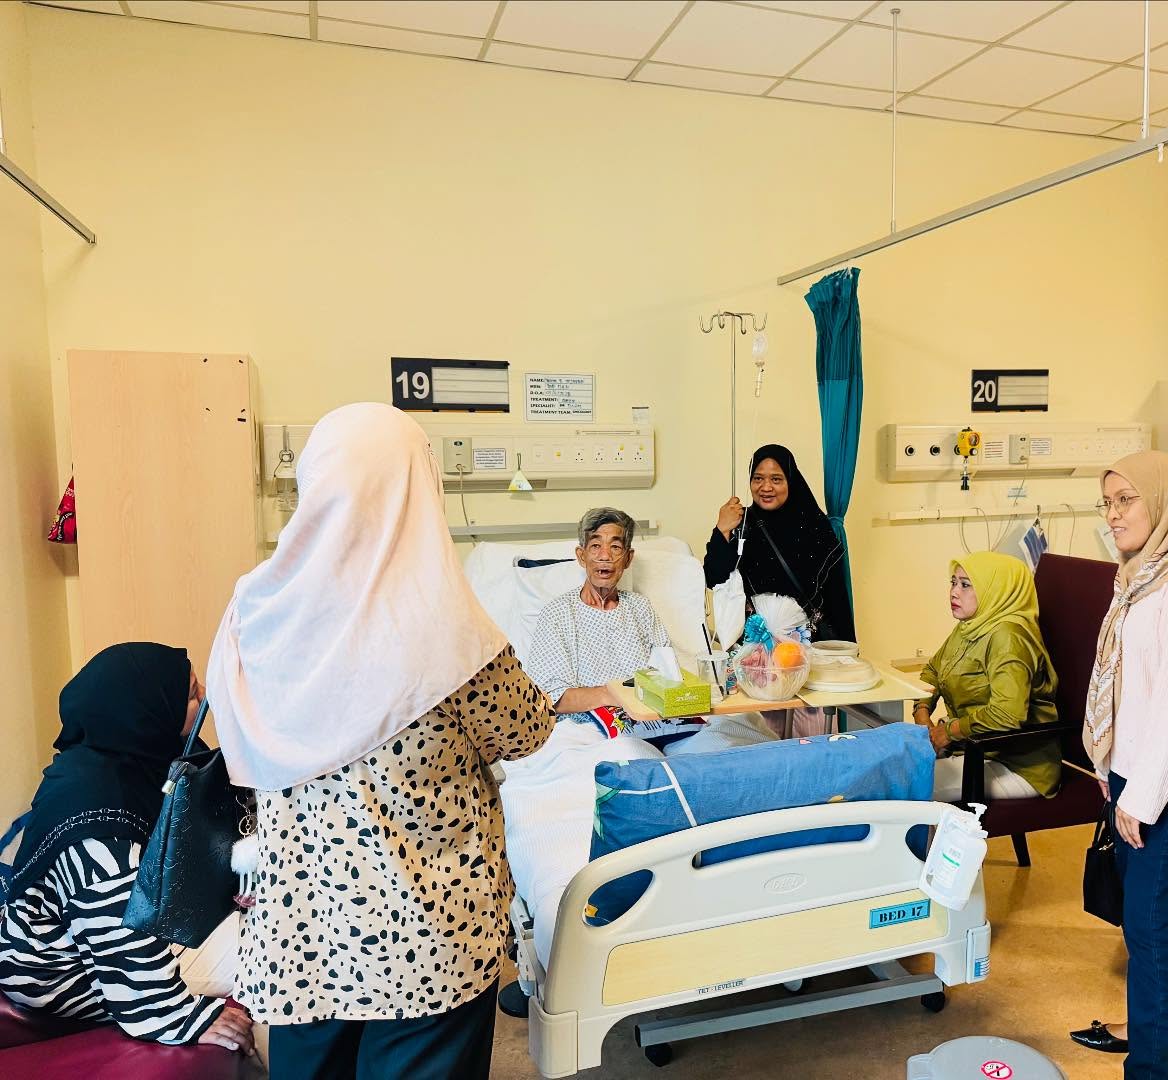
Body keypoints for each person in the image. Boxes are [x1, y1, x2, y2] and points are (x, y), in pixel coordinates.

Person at [206, 403, 553, 1080]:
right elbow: (528, 729)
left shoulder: (255, 610)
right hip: (425, 940)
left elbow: (238, 733)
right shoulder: (451, 636)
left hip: (303, 934)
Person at [0, 643, 254, 1057]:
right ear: (146, 712)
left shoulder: (117, 764)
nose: (204, 696)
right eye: (192, 693)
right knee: (272, 953)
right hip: (65, 970)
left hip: (107, 933)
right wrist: (179, 1017)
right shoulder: (97, 816)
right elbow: (120, 936)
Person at [1070, 451, 1168, 1079]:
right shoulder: (1144, 573)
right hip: (1137, 771)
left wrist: (1140, 797)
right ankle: (1162, 1034)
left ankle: (1149, 1067)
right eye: (1107, 502)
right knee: (1146, 918)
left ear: (1163, 502)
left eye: (1126, 500)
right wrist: (1113, 766)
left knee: (1150, 923)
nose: (1113, 515)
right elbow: (1134, 687)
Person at [916, 551, 1061, 802]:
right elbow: (933, 673)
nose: (954, 592)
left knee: (904, 786)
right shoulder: (971, 627)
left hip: (1018, 766)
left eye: (965, 585)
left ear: (995, 590)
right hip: (973, 749)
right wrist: (922, 715)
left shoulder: (1009, 638)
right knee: (893, 769)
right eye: (953, 582)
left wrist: (948, 732)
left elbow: (1007, 714)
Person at [525, 507, 670, 719]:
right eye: (595, 546)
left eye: (615, 547)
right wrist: (611, 695)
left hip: (649, 718)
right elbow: (548, 696)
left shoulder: (641, 608)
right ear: (581, 556)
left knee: (714, 731)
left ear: (628, 558)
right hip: (586, 724)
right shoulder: (557, 614)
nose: (605, 556)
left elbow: (667, 674)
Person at [704, 445, 855, 644]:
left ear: (790, 481)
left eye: (776, 479)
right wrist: (722, 530)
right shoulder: (741, 523)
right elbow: (713, 578)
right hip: (753, 645)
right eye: (758, 478)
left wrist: (847, 648)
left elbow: (836, 597)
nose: (766, 487)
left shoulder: (815, 526)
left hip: (807, 645)